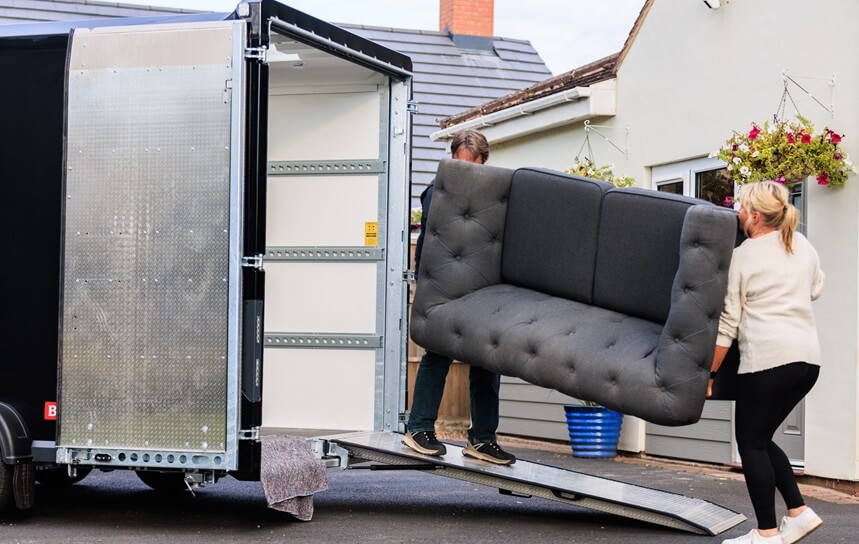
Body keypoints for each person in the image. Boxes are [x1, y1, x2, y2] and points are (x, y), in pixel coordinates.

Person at [709, 181, 824, 544]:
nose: (738, 213)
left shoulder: (744, 254)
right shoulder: (801, 244)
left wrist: (710, 372)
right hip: (807, 362)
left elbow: (728, 322)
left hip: (768, 362)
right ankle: (799, 513)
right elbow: (816, 288)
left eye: (742, 207)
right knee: (760, 438)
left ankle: (767, 534)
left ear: (756, 216)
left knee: (751, 443)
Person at [404, 129, 516, 465]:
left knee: (487, 360)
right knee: (438, 353)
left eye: (471, 165)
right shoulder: (436, 190)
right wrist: (423, 285)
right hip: (445, 286)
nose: (464, 170)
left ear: (483, 162)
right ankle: (419, 429)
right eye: (459, 162)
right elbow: (430, 241)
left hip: (483, 287)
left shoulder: (496, 192)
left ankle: (483, 439)